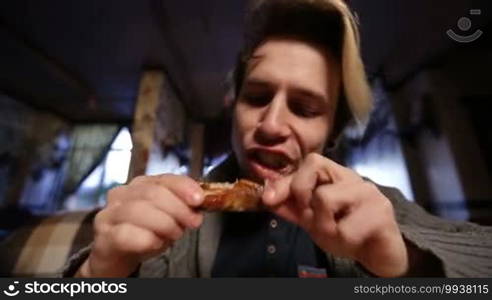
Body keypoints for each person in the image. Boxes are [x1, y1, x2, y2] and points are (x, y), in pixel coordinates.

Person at [65, 0, 492, 278]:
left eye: (305, 109)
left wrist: (407, 265)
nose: (271, 124)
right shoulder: (170, 218)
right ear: (233, 106)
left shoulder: (381, 208)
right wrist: (98, 272)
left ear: (332, 133)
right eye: (256, 97)